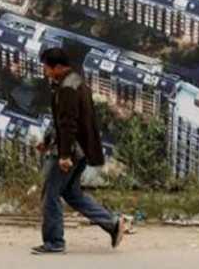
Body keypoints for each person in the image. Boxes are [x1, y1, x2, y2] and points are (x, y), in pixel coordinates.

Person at [31, 47, 127, 255]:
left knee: (50, 195)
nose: (45, 71)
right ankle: (112, 223)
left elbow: (68, 124)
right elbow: (60, 119)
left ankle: (54, 242)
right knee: (72, 194)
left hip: (69, 150)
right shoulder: (74, 81)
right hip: (80, 149)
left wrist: (64, 155)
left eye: (47, 67)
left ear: (57, 67)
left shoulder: (66, 88)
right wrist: (47, 140)